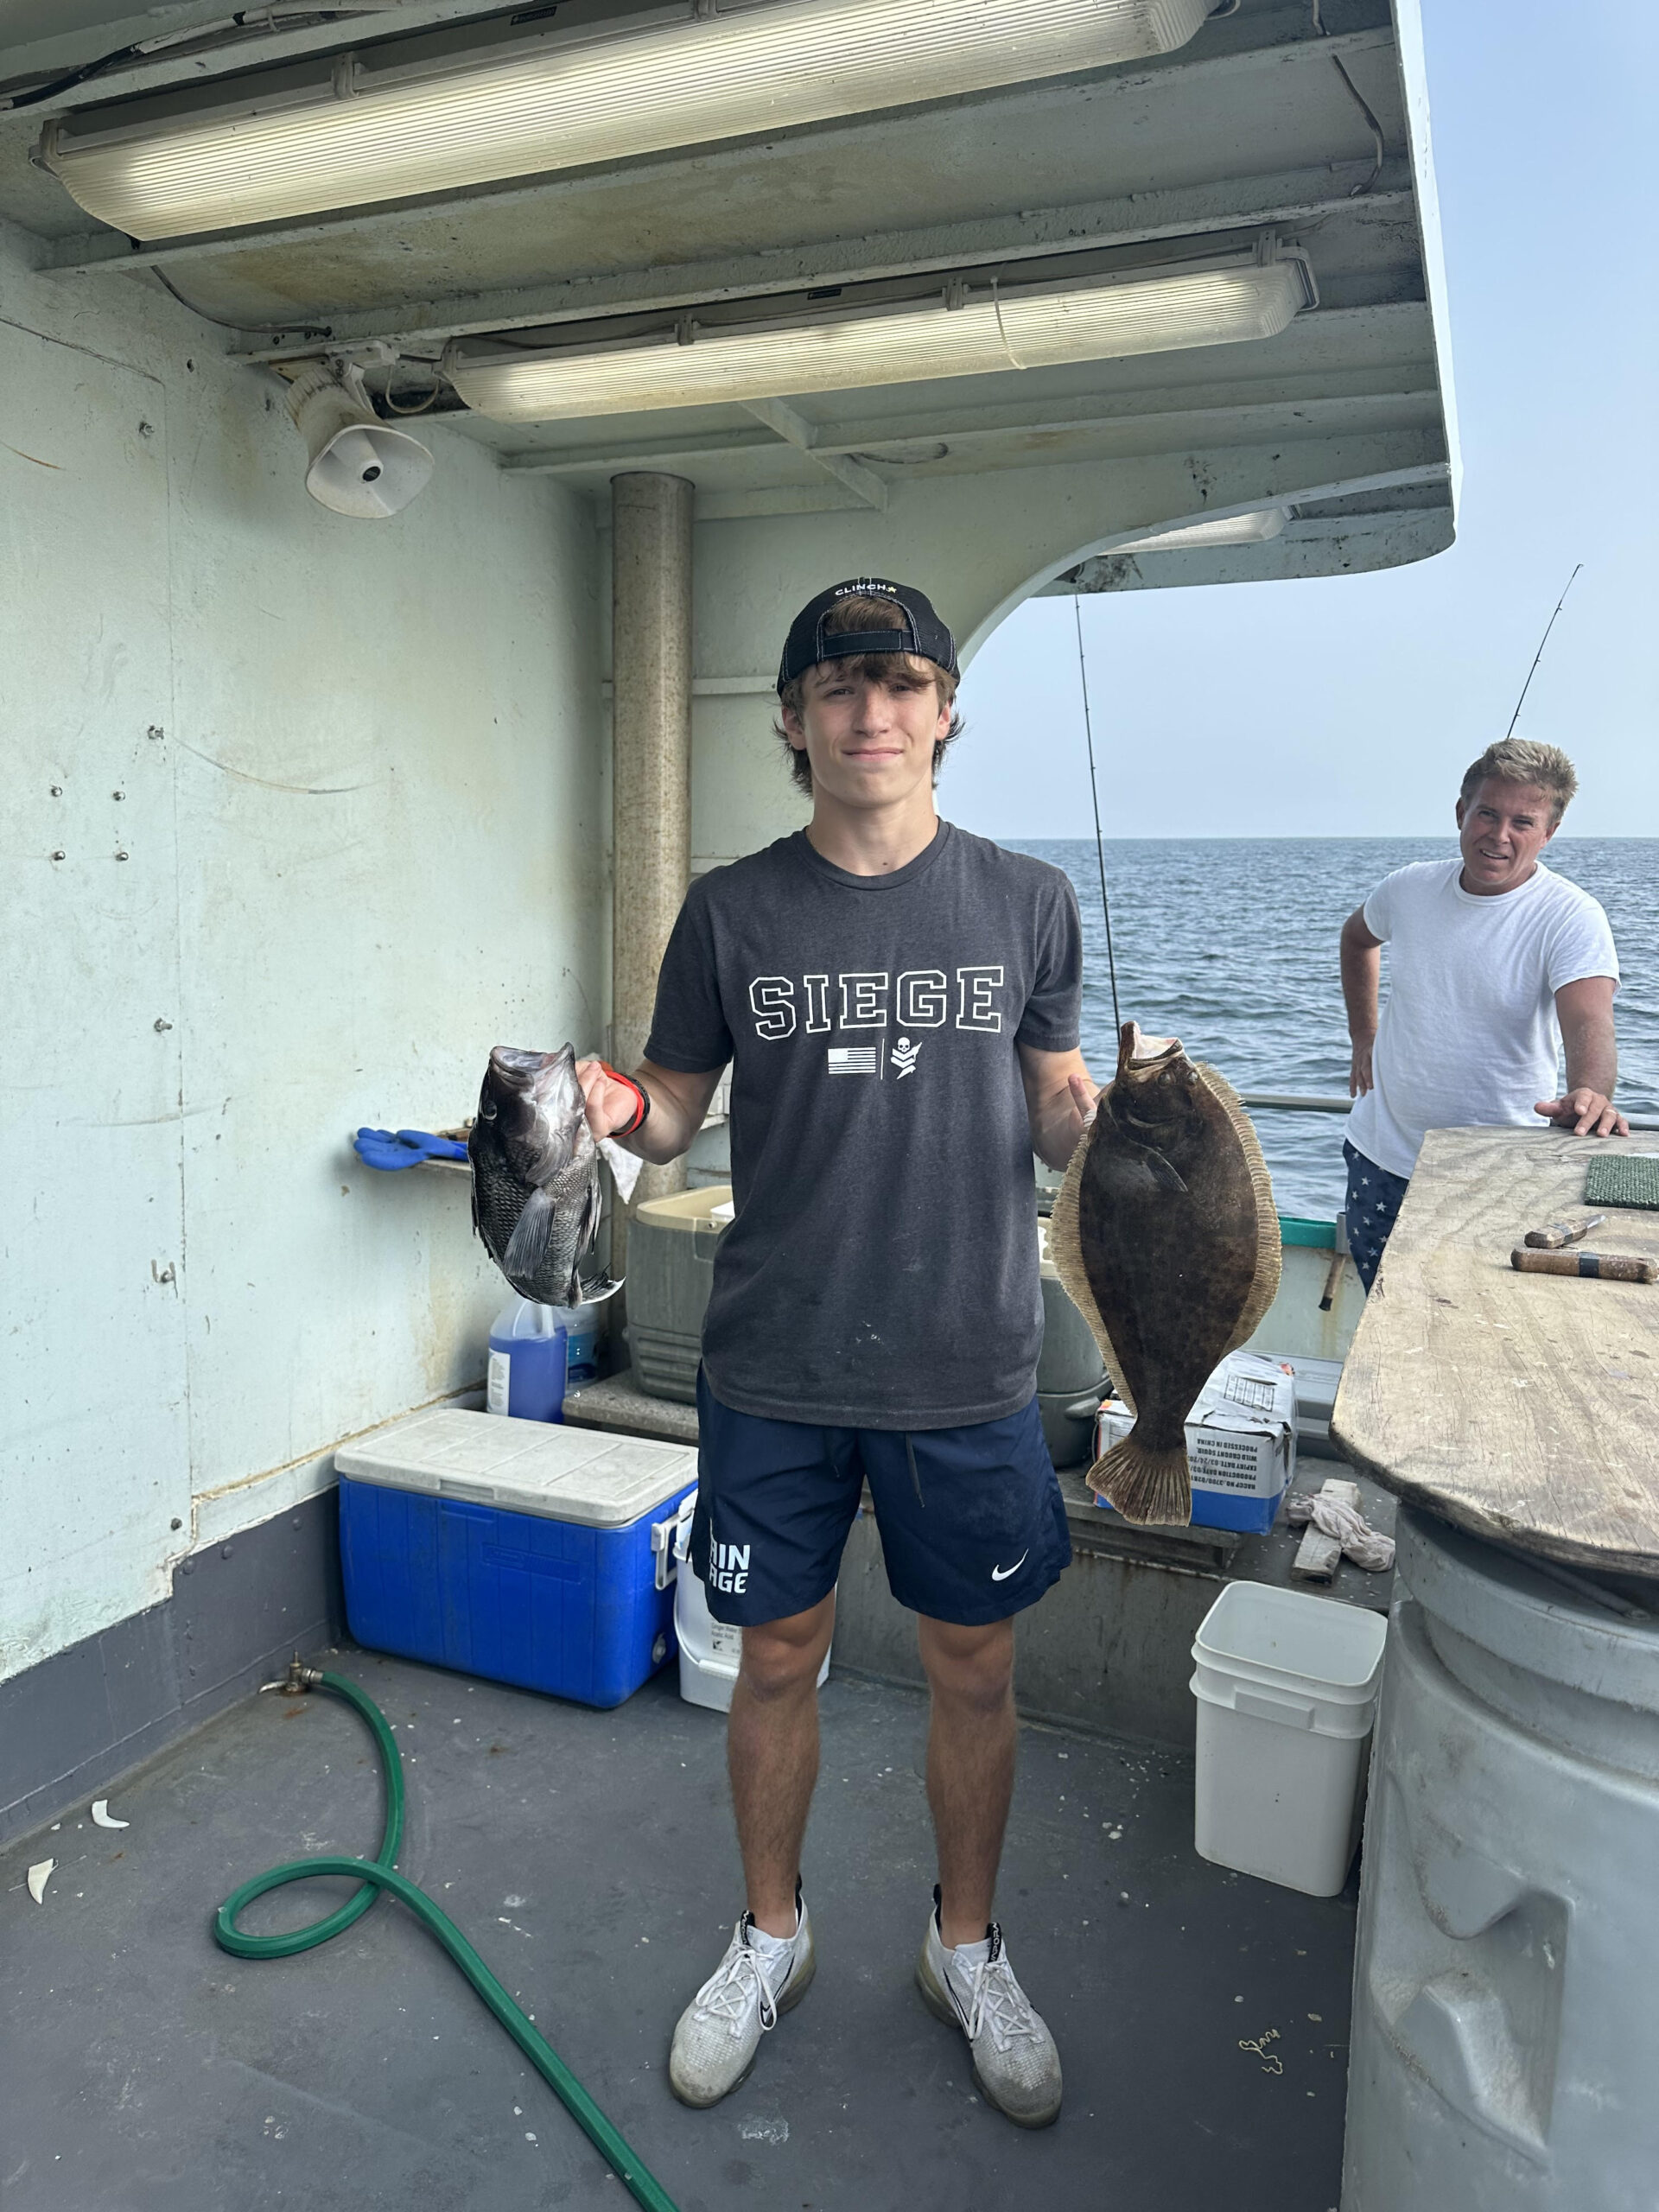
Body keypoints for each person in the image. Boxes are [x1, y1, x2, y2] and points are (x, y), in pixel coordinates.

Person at [576, 578, 1094, 2129]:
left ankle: (967, 1947)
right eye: (839, 686)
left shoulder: (1027, 901)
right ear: (793, 724)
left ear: (945, 714)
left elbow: (1060, 1101)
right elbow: (672, 1109)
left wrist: (1113, 1115)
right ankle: (770, 1937)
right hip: (775, 1369)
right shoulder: (731, 910)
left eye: (901, 681)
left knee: (973, 1673)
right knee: (775, 1659)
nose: (872, 710)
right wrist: (610, 1107)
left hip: (971, 1363)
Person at [1339, 736, 1624, 1291]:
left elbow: (1589, 1017)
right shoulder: (1408, 888)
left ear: (1550, 833)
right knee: (1382, 1313)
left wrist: (1589, 1090)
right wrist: (1363, 1034)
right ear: (1460, 813)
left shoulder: (1572, 916)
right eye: (1487, 813)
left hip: (1497, 1171)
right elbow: (1357, 939)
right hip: (1382, 1156)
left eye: (1523, 821)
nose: (1499, 835)